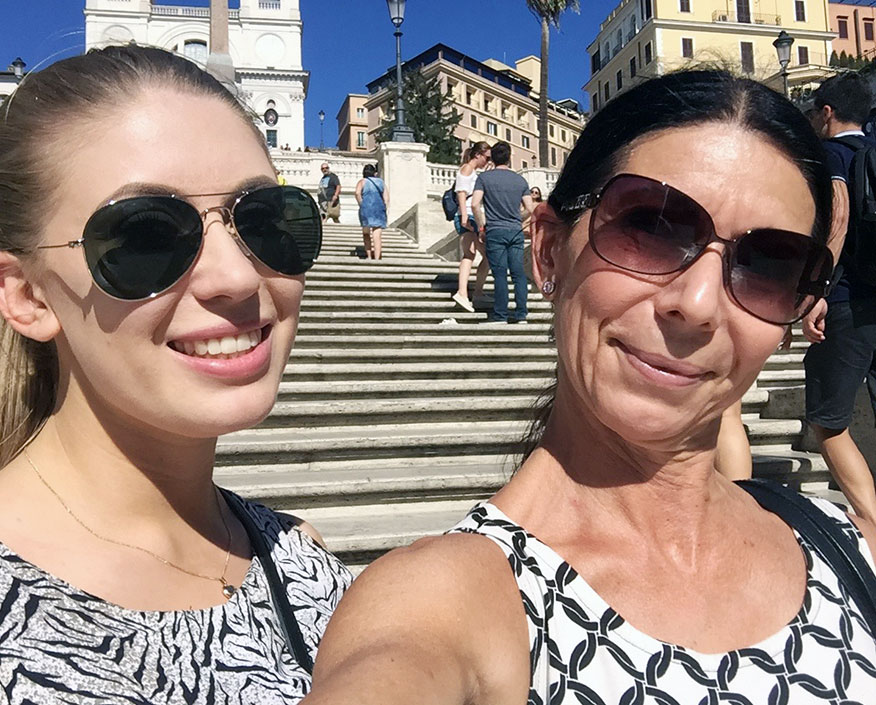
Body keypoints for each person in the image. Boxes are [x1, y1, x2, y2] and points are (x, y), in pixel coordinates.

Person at [302, 71, 876, 705]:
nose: (700, 303)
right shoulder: (446, 601)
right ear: (548, 251)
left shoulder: (851, 548)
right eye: (652, 228)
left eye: (769, 264)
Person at [0, 45, 350, 705]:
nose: (238, 276)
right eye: (148, 237)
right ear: (26, 296)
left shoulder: (299, 558)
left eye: (266, 221)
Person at [803, 72, 876, 523]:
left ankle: (871, 523)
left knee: (827, 421)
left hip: (849, 301)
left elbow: (840, 215)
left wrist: (817, 290)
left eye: (813, 113)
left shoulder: (831, 152)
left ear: (827, 113)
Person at [472, 141, 535, 324]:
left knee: (499, 274)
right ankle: (521, 314)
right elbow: (530, 208)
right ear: (509, 157)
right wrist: (517, 217)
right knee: (518, 274)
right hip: (515, 230)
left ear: (492, 157)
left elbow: (475, 204)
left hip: (495, 230)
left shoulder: (484, 179)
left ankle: (500, 314)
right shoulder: (520, 180)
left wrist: (482, 225)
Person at [451, 142, 491, 312]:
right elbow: (461, 192)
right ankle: (463, 292)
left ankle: (476, 291)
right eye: (486, 157)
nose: (488, 160)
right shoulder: (467, 168)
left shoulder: (472, 171)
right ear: (478, 155)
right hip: (468, 215)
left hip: (471, 216)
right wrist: (464, 216)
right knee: (470, 253)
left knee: (485, 254)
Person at [354, 163, 389, 260]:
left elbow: (357, 193)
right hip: (378, 209)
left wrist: (361, 203)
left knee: (366, 233)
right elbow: (386, 198)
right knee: (377, 235)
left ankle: (369, 256)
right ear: (374, 173)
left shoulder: (362, 182)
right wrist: (384, 207)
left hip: (366, 208)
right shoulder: (381, 182)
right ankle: (377, 258)